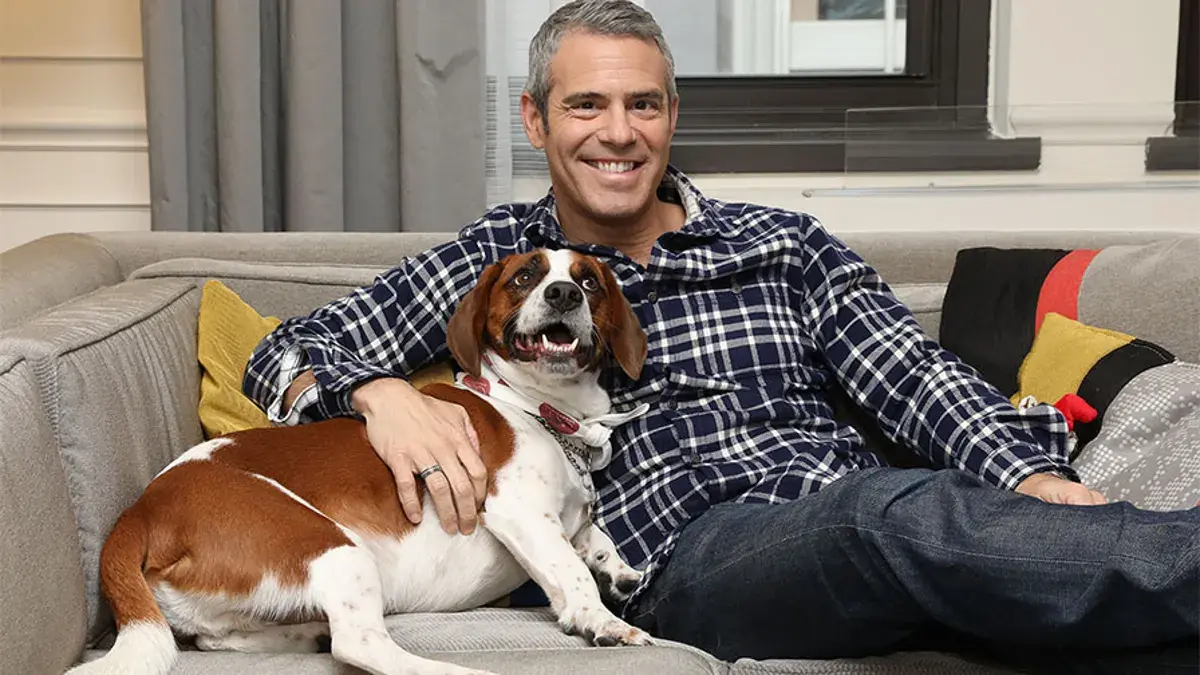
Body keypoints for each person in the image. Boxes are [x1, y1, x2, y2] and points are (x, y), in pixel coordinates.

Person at [244, 0, 1198, 670]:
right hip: (699, 553)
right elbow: (277, 350)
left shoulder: (780, 243)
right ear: (535, 118)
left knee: (1056, 609)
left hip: (858, 506)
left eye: (642, 104)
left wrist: (1032, 480)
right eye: (585, 104)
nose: (617, 133)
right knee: (889, 513)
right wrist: (381, 394)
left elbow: (908, 371)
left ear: (670, 117)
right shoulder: (504, 258)